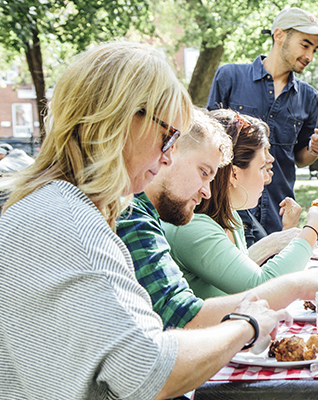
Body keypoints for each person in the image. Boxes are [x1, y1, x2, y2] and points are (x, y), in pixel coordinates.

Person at [0, 41, 290, 399]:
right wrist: (246, 325)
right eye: (168, 137)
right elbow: (150, 372)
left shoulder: (44, 204)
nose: (168, 157)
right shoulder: (71, 223)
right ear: (121, 117)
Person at [117, 107, 318, 330]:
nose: (269, 177)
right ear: (169, 153)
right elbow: (183, 315)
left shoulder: (227, 219)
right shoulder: (168, 222)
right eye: (203, 172)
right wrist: (311, 234)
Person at [163, 109, 318, 299]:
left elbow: (240, 273)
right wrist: (313, 230)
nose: (267, 178)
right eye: (262, 167)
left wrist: (280, 240)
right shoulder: (192, 226)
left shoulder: (232, 218)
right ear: (234, 174)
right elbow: (260, 287)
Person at [207, 6, 318, 243]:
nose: (310, 56)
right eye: (305, 45)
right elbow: (208, 144)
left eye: (314, 49)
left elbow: (299, 158)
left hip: (280, 211)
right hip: (228, 212)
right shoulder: (230, 77)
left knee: (277, 277)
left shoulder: (309, 96)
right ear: (279, 35)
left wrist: (314, 149)